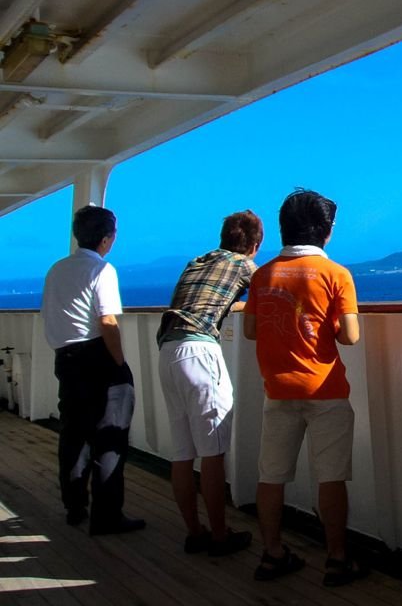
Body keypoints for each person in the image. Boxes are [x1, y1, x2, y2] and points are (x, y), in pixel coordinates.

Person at [243, 189, 365, 586]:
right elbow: (350, 336)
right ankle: (336, 558)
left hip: (278, 391)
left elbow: (249, 329)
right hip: (324, 391)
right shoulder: (336, 275)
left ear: (283, 229)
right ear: (326, 231)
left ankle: (272, 553)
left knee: (271, 475)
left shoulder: (262, 275)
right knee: (330, 476)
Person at [156, 210, 263, 556]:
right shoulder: (244, 265)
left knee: (183, 453)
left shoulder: (197, 261)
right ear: (255, 244)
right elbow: (270, 293)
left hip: (168, 351)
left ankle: (195, 531)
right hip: (199, 353)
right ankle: (220, 536)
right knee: (213, 454)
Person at [41, 205, 145, 535]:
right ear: (105, 239)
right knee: (110, 436)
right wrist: (119, 364)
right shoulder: (102, 270)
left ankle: (75, 506)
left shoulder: (56, 269)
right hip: (97, 357)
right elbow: (107, 321)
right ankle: (107, 515)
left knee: (74, 434)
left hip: (66, 358)